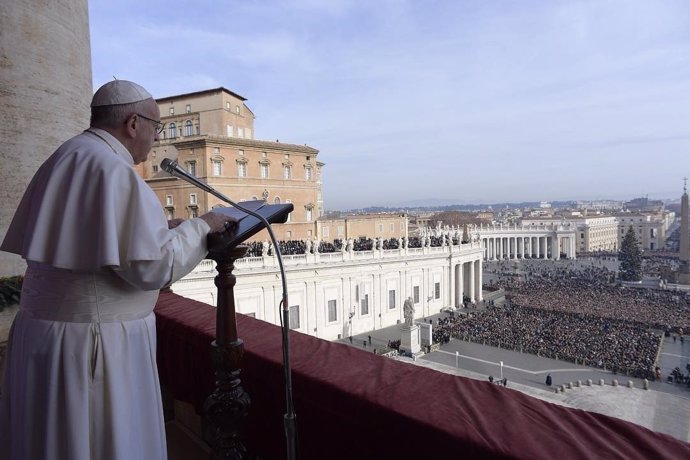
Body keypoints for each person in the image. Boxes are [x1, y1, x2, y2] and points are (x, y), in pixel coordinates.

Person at [0, 80, 235, 460]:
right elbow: (153, 267)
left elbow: (96, 239)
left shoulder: (67, 156)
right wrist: (202, 225)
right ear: (133, 123)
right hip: (93, 343)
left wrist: (164, 229)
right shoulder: (114, 169)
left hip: (43, 335)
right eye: (156, 129)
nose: (156, 140)